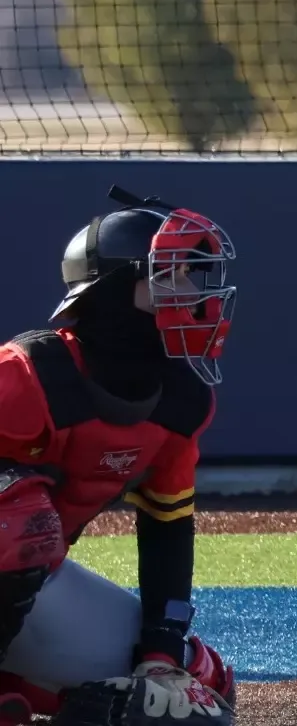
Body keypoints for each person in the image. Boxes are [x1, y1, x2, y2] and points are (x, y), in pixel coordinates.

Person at [0, 187, 238, 725]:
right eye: (168, 277)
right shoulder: (26, 373)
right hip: (19, 550)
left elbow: (168, 527)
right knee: (17, 517)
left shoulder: (182, 401)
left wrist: (159, 652)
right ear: (111, 289)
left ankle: (21, 688)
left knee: (196, 687)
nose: (192, 295)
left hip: (31, 588)